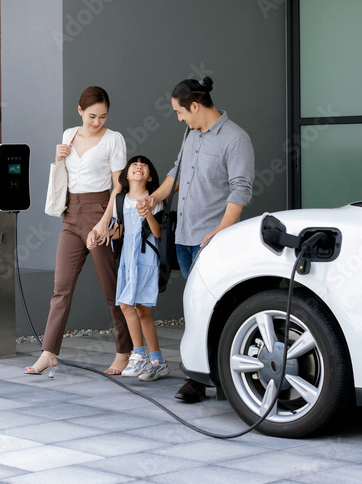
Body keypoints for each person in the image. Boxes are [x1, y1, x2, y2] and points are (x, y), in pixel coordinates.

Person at [144, 76, 254, 402]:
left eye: (180, 112)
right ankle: (202, 375)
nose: (180, 119)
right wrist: (154, 198)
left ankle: (210, 379)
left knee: (217, 309)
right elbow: (176, 173)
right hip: (184, 237)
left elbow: (241, 189)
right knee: (195, 310)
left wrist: (221, 231)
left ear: (194, 106)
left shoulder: (235, 139)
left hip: (214, 240)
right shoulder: (191, 135)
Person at [24, 86, 132, 377]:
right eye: (92, 116)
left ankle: (124, 352)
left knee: (111, 290)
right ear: (80, 111)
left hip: (100, 213)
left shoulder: (114, 139)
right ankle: (49, 353)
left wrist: (103, 224)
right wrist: (58, 158)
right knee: (61, 288)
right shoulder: (69, 135)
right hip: (71, 216)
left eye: (103, 116)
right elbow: (65, 176)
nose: (97, 122)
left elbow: (118, 187)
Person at [109, 155, 170, 382]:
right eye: (134, 164)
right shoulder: (120, 200)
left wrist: (148, 215)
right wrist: (102, 234)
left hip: (146, 260)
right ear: (126, 174)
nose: (139, 166)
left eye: (144, 164)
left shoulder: (154, 200)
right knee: (127, 305)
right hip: (127, 259)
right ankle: (154, 360)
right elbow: (118, 231)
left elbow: (158, 234)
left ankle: (144, 357)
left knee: (142, 309)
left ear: (150, 176)